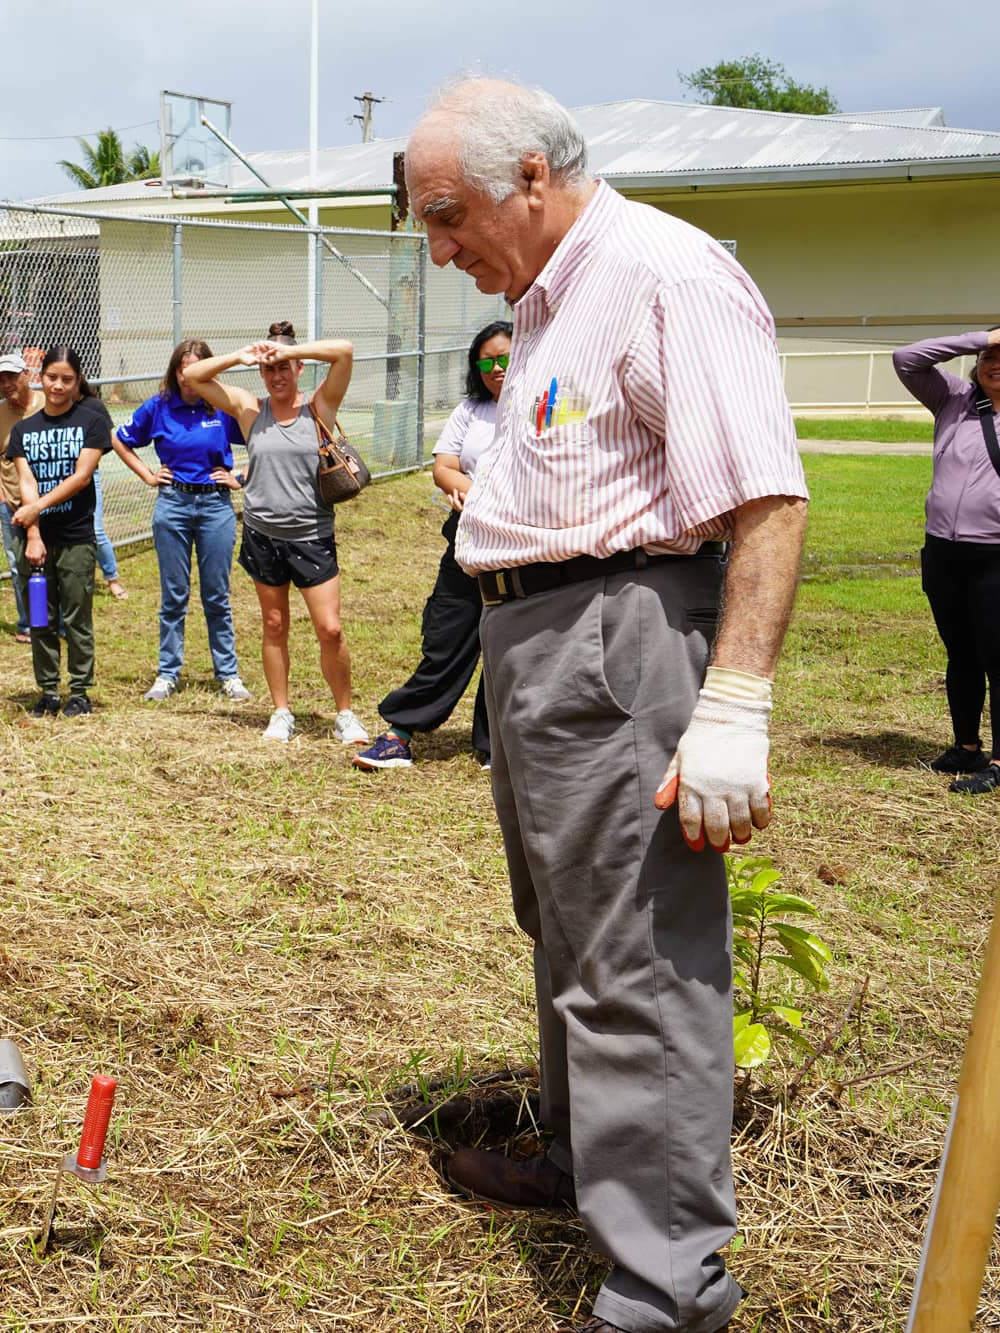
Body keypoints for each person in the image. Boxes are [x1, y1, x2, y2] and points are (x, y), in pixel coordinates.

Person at [406, 77, 809, 1333]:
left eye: (446, 214)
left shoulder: (660, 275)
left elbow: (764, 499)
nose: (439, 247)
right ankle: (591, 1168)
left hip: (618, 637)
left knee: (635, 953)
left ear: (529, 175)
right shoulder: (548, 301)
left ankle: (667, 1277)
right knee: (570, 927)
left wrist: (733, 697)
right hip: (534, 637)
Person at [181, 322, 370, 746]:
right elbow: (192, 377)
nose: (277, 375)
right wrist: (242, 356)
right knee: (273, 624)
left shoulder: (319, 408)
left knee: (331, 629)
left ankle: (345, 713)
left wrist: (287, 348)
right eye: (269, 369)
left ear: (301, 367)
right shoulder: (250, 409)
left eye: (285, 366)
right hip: (263, 534)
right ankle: (281, 711)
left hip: (310, 534)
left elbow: (345, 348)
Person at [354, 321, 511, 770]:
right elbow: (444, 467)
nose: (496, 368)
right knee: (447, 635)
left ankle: (494, 745)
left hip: (521, 545)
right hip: (468, 538)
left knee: (506, 644)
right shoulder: (471, 410)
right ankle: (399, 732)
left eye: (504, 357)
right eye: (486, 361)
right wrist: (472, 489)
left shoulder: (538, 405)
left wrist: (479, 490)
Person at [110, 338, 251, 703]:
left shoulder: (222, 407)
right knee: (174, 594)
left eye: (196, 369)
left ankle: (229, 674)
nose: (189, 378)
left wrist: (241, 477)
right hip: (172, 505)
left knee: (216, 595)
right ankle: (167, 673)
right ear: (174, 372)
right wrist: (147, 474)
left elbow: (263, 439)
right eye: (182, 370)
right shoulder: (159, 408)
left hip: (215, 507)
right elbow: (120, 439)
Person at [892, 325, 1000, 795]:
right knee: (962, 653)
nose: (995, 364)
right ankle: (966, 746)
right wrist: (982, 335)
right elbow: (906, 358)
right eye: (989, 357)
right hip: (944, 550)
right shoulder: (955, 399)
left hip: (996, 554)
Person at [7, 348, 109, 717]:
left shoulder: (90, 421)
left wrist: (35, 507)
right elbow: (25, 482)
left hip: (77, 537)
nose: (58, 386)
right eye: (52, 377)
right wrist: (33, 534)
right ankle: (48, 689)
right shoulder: (23, 430)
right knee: (40, 617)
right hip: (36, 539)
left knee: (76, 618)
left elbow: (82, 477)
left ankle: (80, 691)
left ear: (77, 381)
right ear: (41, 377)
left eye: (67, 379)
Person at [0, 353, 43, 643]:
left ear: (26, 374)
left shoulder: (47, 405)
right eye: (1, 380)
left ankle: (54, 620)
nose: (7, 385)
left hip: (48, 501)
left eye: (12, 377)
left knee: (51, 562)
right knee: (19, 565)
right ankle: (28, 622)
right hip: (13, 504)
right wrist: (1, 497)